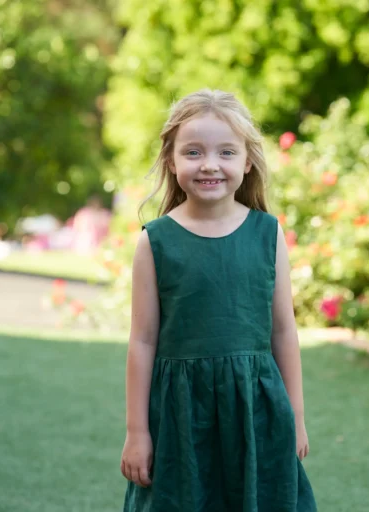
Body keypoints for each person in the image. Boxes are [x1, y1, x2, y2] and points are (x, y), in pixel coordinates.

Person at [120, 89, 317, 511]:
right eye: (193, 152)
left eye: (226, 152)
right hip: (180, 416)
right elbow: (142, 342)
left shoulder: (268, 234)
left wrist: (296, 417)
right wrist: (137, 432)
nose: (210, 164)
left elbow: (283, 331)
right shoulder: (155, 242)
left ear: (247, 162)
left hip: (256, 409)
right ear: (172, 161)